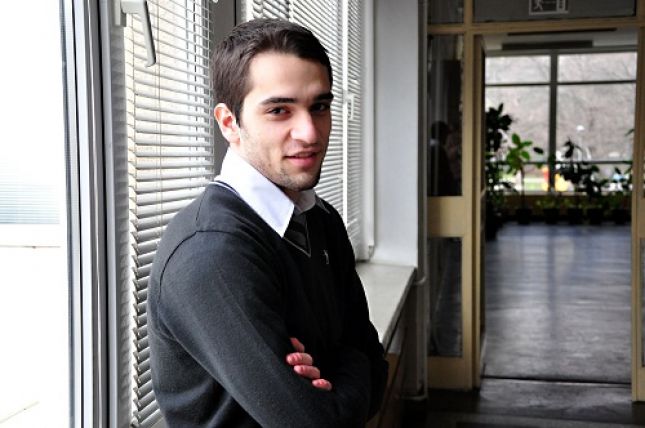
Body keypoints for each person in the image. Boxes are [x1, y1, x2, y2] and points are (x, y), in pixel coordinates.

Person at [148, 18, 388, 427]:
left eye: (320, 106)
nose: (309, 132)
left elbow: (378, 368)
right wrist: (351, 362)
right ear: (229, 123)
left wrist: (345, 365)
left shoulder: (322, 220)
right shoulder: (211, 252)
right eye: (279, 110)